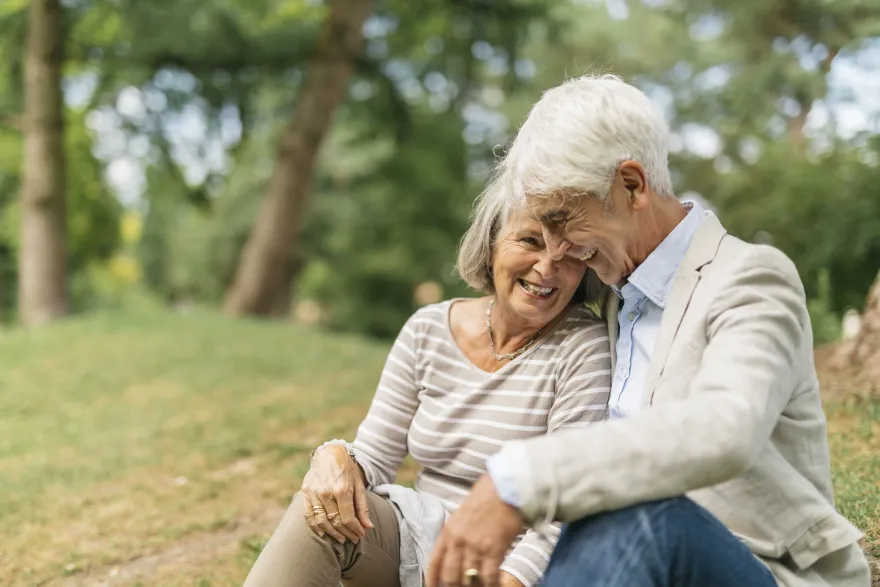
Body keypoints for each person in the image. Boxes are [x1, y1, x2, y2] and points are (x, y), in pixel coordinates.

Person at [426, 74, 872, 587]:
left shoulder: (751, 277)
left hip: (760, 567)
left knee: (639, 510)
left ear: (632, 186)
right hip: (619, 565)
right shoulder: (611, 298)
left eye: (561, 219)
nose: (555, 250)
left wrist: (520, 478)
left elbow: (725, 430)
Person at [241, 186, 613, 587]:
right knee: (318, 510)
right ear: (490, 246)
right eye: (530, 241)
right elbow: (375, 455)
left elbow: (563, 506)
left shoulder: (584, 347)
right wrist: (333, 456)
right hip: (421, 535)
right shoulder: (428, 328)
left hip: (509, 564)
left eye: (570, 252)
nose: (547, 267)